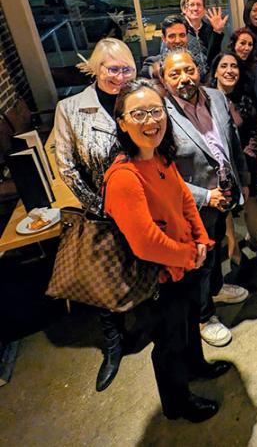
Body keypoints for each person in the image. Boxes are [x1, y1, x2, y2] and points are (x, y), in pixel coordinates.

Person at [105, 78, 229, 423]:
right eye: (139, 114)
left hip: (185, 264)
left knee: (189, 325)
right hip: (160, 278)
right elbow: (145, 242)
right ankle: (177, 404)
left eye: (156, 111)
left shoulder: (160, 156)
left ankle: (197, 367)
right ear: (122, 122)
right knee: (169, 343)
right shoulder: (124, 178)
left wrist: (202, 239)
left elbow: (186, 201)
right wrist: (191, 255)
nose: (151, 121)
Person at [54, 38, 137, 392]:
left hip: (144, 205)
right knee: (106, 280)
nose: (119, 76)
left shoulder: (139, 97)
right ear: (96, 68)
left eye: (126, 68)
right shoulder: (71, 108)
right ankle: (113, 345)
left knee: (146, 267)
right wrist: (101, 208)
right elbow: (67, 167)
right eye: (112, 69)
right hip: (102, 213)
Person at [160, 49, 250, 347]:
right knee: (200, 261)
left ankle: (217, 290)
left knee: (218, 249)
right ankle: (205, 316)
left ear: (198, 70)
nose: (184, 78)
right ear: (164, 79)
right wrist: (202, 196)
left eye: (189, 70)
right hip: (194, 202)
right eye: (175, 74)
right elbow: (161, 173)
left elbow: (232, 142)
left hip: (225, 193)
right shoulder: (161, 112)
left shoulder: (216, 96)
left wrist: (244, 181)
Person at [210, 51, 257, 263]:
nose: (229, 71)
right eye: (223, 66)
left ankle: (253, 237)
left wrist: (250, 156)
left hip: (247, 157)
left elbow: (252, 129)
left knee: (255, 201)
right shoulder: (205, 98)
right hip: (219, 163)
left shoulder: (245, 95)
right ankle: (233, 248)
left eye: (233, 66)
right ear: (215, 72)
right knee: (225, 208)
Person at [140, 15, 207, 80]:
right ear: (164, 38)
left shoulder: (197, 59)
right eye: (172, 36)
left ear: (187, 37)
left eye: (182, 35)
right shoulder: (155, 63)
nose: (177, 41)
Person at [179, 0, 227, 67]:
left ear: (204, 10)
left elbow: (214, 59)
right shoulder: (178, 30)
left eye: (199, 5)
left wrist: (217, 33)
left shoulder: (210, 29)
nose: (195, 8)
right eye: (192, 5)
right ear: (184, 9)